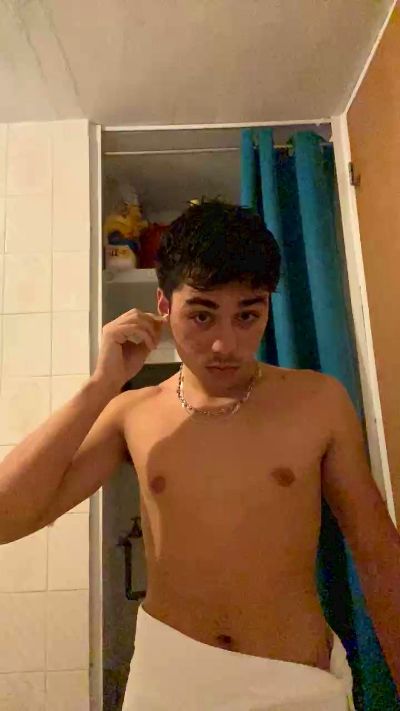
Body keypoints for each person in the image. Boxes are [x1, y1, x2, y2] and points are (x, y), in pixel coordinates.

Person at [0, 200, 399, 710]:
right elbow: (7, 518)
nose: (223, 344)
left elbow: (378, 553)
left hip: (295, 680)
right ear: (164, 306)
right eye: (202, 315)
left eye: (247, 315)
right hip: (171, 680)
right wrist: (100, 385)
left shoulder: (317, 402)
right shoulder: (132, 412)